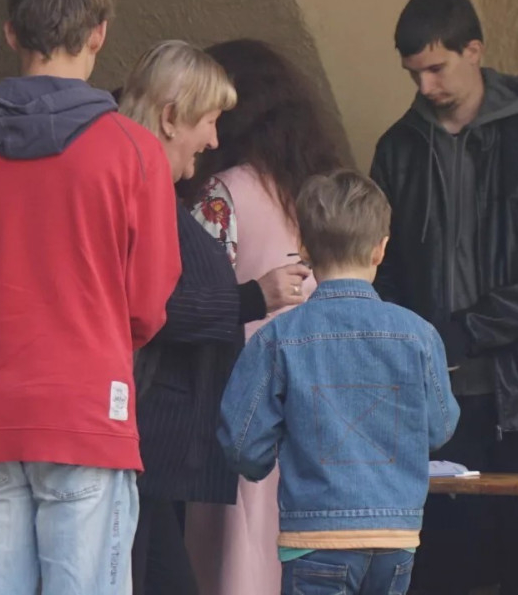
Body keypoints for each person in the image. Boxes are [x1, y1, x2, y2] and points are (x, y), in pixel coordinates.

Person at [0, 0, 181, 595]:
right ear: (99, 34)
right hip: (88, 409)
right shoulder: (134, 151)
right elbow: (148, 304)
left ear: (11, 33)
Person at [369, 0, 518, 595]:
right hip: (435, 398)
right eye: (414, 74)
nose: (426, 87)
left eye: (437, 68)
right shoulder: (397, 149)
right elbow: (379, 266)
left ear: (475, 50)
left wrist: (465, 331)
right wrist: (409, 344)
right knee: (437, 568)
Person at [116, 40, 311, 595]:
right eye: (208, 120)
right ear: (170, 117)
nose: (215, 139)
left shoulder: (156, 186)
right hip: (138, 427)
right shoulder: (135, 188)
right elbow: (150, 307)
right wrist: (253, 298)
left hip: (148, 434)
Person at [218, 169, 460, 595]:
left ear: (304, 248)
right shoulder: (419, 334)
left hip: (315, 535)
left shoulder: (278, 337)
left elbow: (242, 445)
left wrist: (272, 457)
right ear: (381, 249)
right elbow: (439, 428)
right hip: (396, 535)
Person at [178, 39, 345, 595]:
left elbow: (189, 300)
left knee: (239, 558)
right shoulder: (324, 192)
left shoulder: (221, 193)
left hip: (240, 403)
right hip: (321, 403)